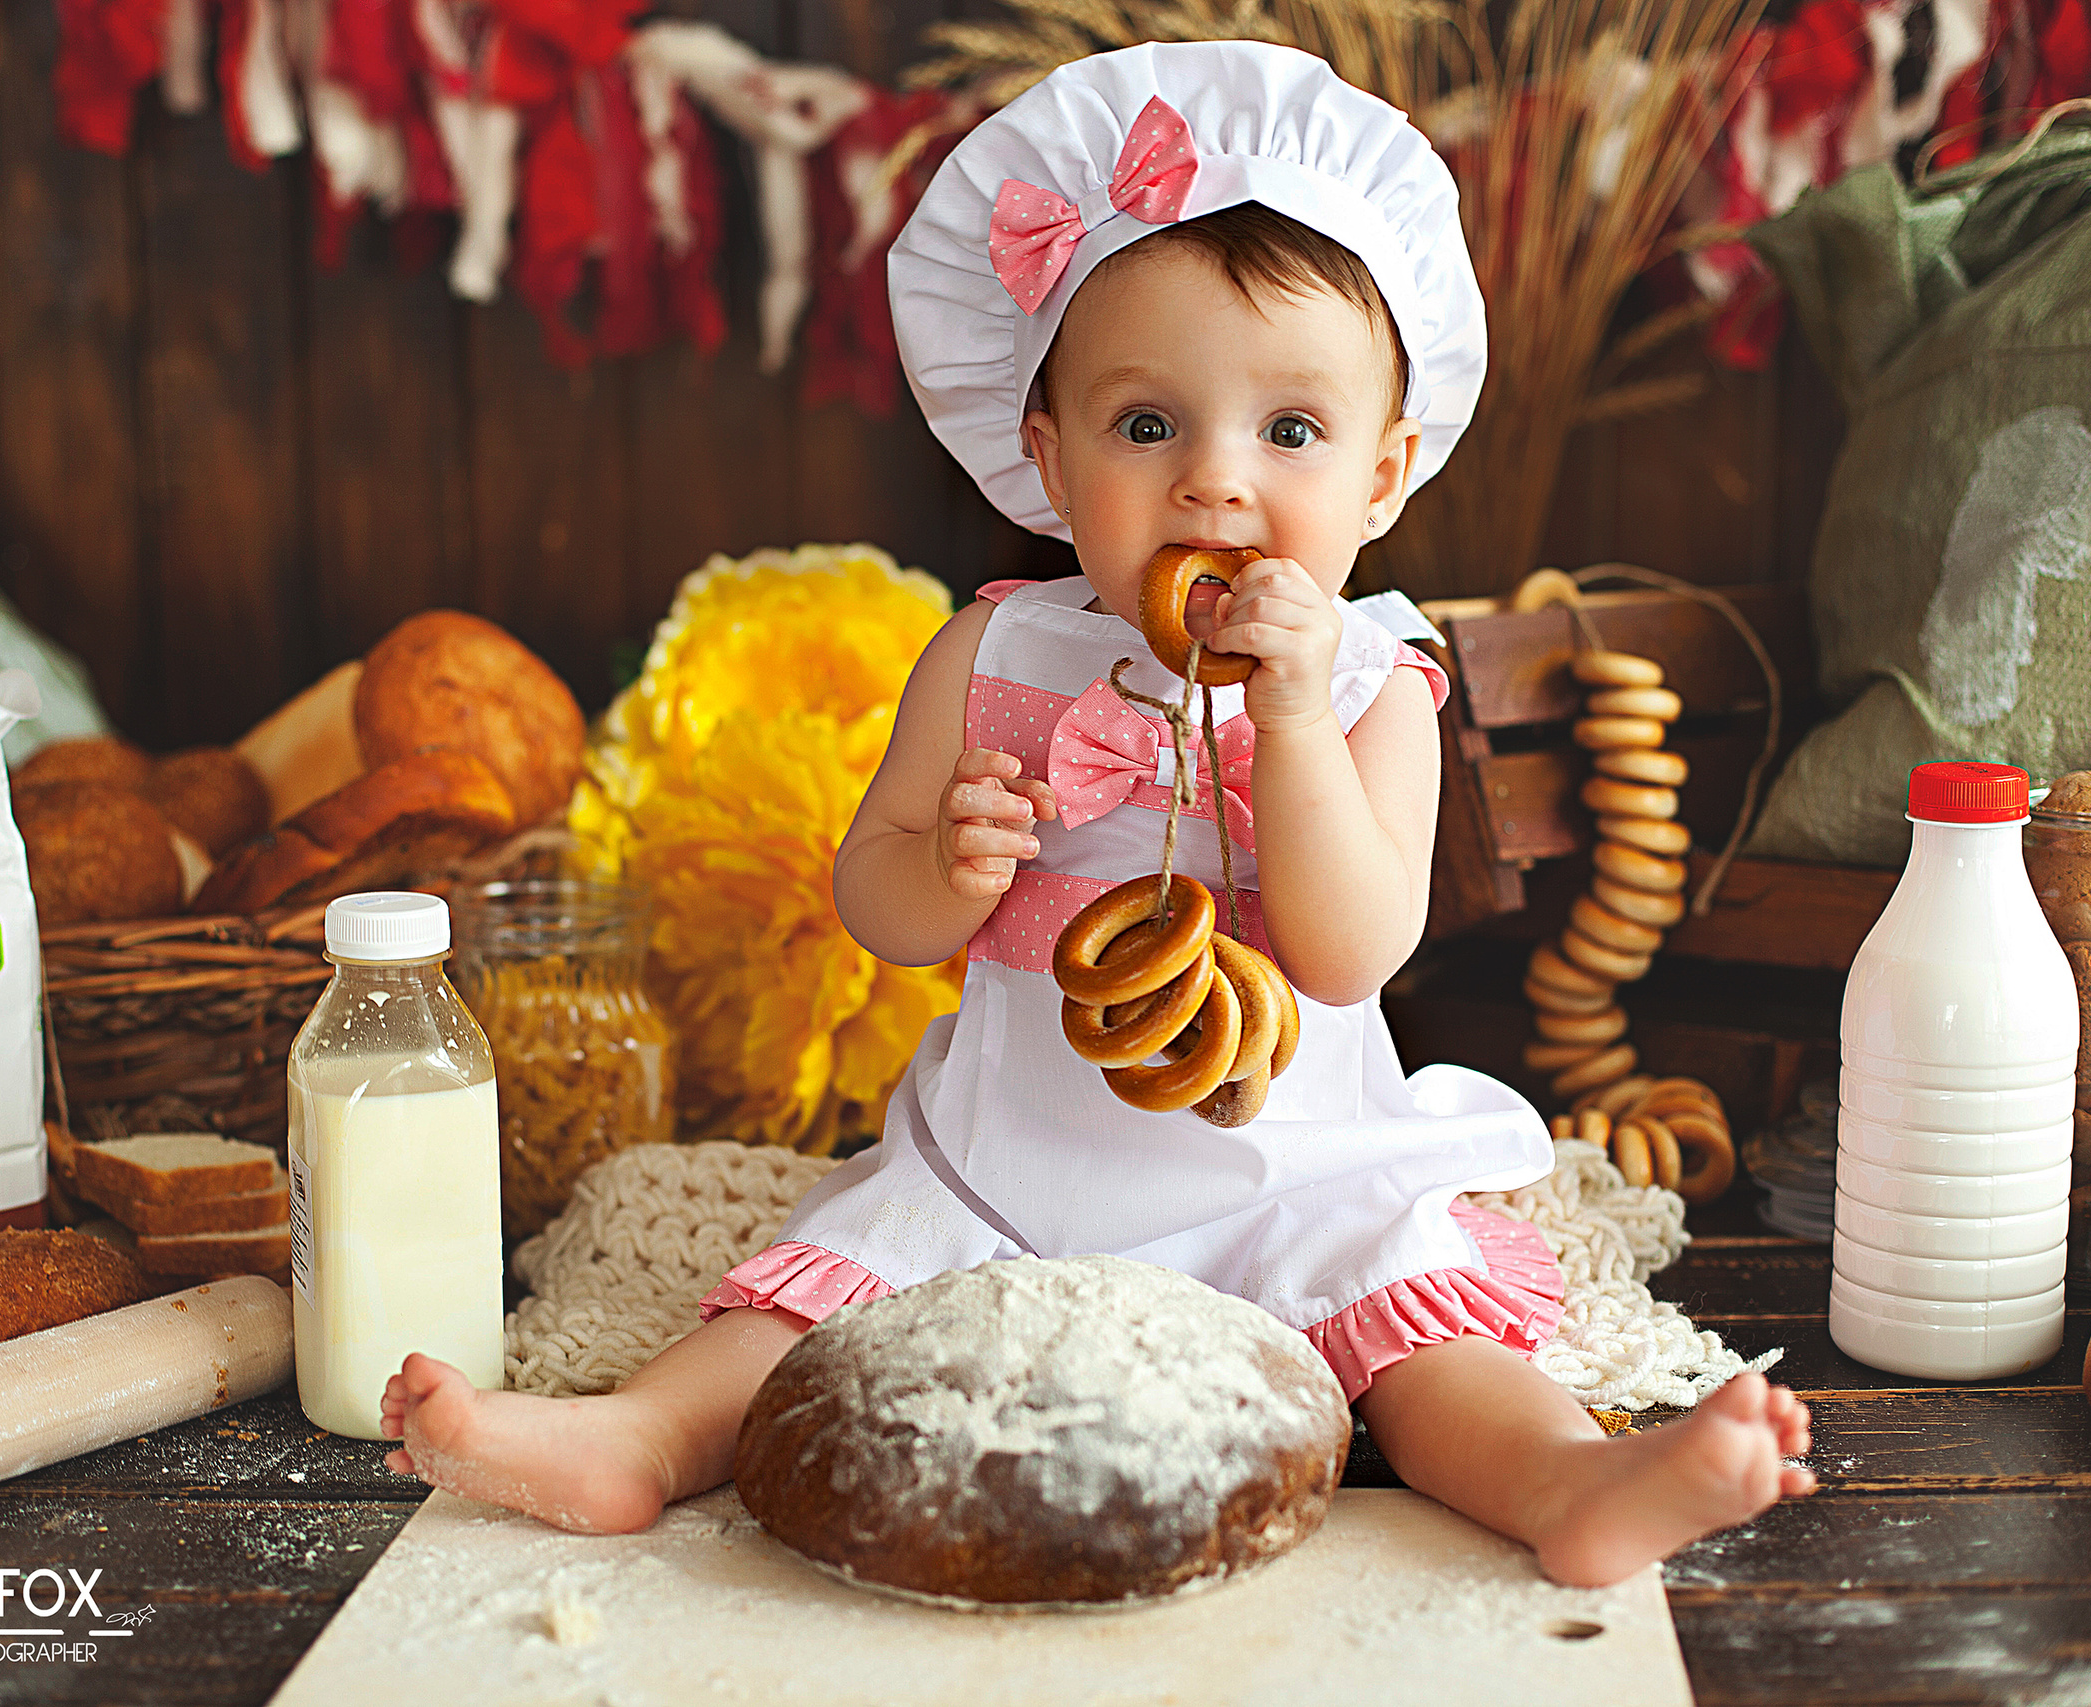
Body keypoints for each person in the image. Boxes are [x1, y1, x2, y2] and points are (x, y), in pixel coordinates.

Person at [382, 39, 1813, 1587]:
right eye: (1148, 428)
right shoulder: (995, 648)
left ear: (1388, 474)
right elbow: (874, 897)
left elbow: (1348, 955)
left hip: (1294, 1162)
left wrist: (1284, 726)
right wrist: (946, 866)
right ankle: (636, 1443)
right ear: (1049, 463)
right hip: (1006, 1159)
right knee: (815, 1290)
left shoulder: (1370, 683)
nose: (1215, 484)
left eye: (1290, 433)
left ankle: (1562, 1482)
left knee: (1416, 1342)